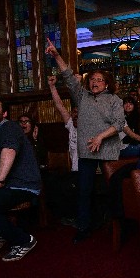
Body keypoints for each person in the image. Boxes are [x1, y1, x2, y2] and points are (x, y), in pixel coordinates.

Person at [45, 38, 125, 243]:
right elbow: (69, 76)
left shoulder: (114, 100)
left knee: (112, 191)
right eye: (92, 79)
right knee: (84, 191)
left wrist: (100, 136)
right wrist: (56, 55)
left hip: (108, 150)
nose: (95, 82)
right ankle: (83, 227)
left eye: (99, 79)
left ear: (106, 84)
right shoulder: (82, 97)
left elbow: (118, 123)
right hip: (86, 151)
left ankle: (115, 226)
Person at [0, 99, 40, 261]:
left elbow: (9, 151)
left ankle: (25, 240)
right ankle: (0, 232)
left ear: (4, 113)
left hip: (20, 186)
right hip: (7, 186)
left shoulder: (9, 127)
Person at [47, 75, 79, 226]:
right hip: (74, 171)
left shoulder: (92, 126)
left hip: (87, 171)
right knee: (54, 183)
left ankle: (76, 218)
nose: (75, 115)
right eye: (73, 112)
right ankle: (67, 217)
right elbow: (59, 105)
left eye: (79, 112)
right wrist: (52, 87)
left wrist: (78, 84)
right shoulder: (71, 125)